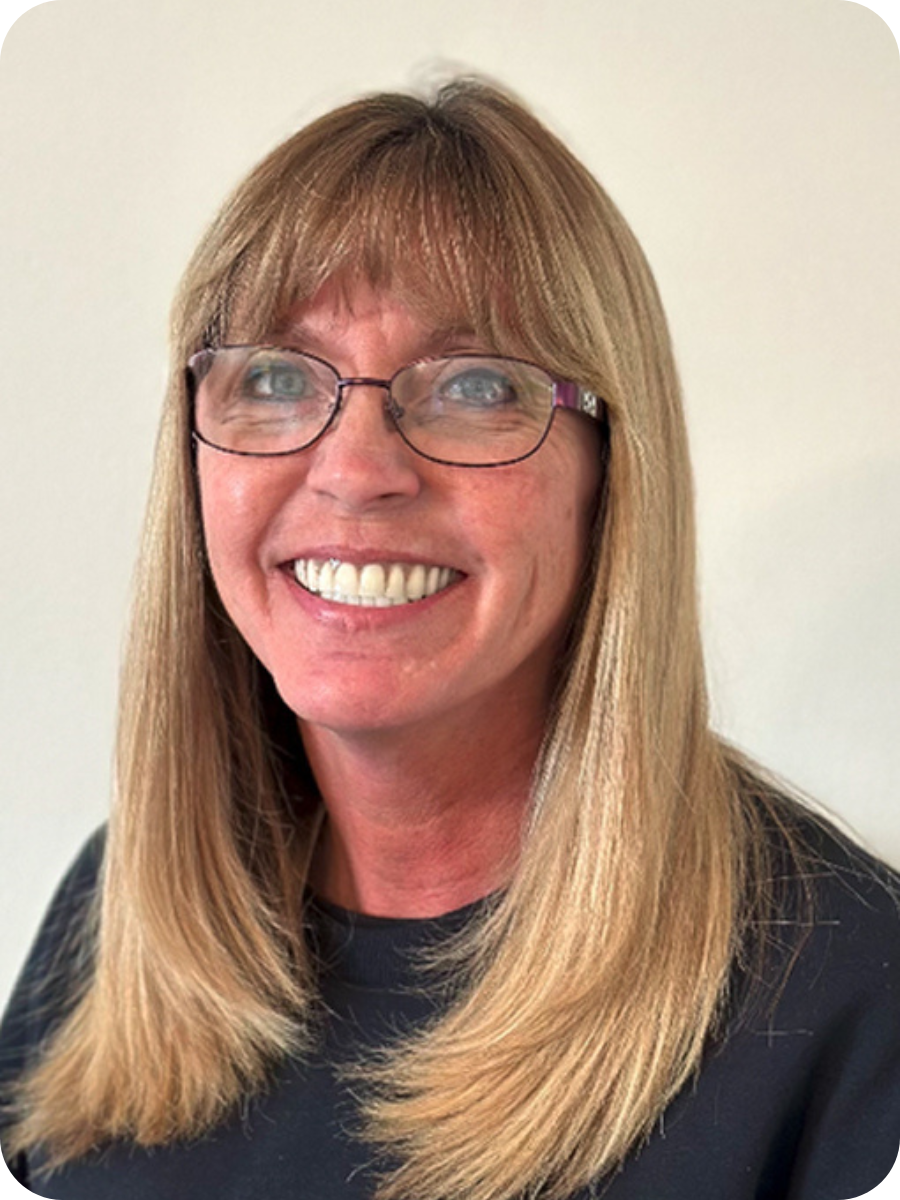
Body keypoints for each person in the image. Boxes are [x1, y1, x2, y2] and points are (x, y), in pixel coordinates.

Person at [1, 77, 899, 1200]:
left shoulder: (850, 1001)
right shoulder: (120, 918)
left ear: (612, 478)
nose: (358, 469)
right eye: (274, 378)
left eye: (475, 385)